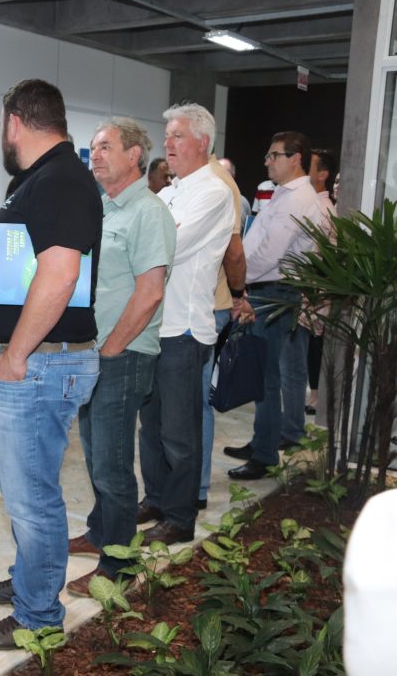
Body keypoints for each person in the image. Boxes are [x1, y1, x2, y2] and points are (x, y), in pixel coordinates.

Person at [0, 79, 102, 649]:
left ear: (15, 123)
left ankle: (39, 615)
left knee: (33, 499)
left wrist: (16, 355)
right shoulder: (42, 179)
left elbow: (61, 274)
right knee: (25, 494)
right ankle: (30, 581)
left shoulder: (62, 180)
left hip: (39, 364)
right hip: (33, 363)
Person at [65, 117, 175, 595]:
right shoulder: (104, 208)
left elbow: (151, 292)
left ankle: (119, 564)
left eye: (106, 146)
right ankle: (99, 531)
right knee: (94, 453)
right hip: (98, 352)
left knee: (112, 464)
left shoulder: (148, 212)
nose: (96, 155)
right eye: (93, 147)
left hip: (123, 354)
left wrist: (111, 348)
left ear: (134, 156)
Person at [137, 104, 232, 544]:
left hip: (185, 329)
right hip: (154, 326)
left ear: (203, 142)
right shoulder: (168, 192)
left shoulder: (213, 191)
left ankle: (179, 517)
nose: (168, 143)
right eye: (167, 135)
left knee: (179, 431)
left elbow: (167, 244)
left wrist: (144, 237)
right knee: (152, 425)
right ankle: (156, 499)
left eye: (177, 135)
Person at [225, 132, 325, 480]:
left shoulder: (298, 198)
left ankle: (265, 455)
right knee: (262, 374)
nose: (267, 161)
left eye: (274, 155)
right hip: (267, 289)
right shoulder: (283, 193)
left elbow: (270, 253)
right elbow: (257, 241)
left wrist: (237, 281)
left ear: (295, 158)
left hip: (275, 291)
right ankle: (261, 441)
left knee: (267, 377)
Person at [197, 155, 248, 510]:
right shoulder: (190, 183)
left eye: (177, 135)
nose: (169, 142)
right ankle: (190, 483)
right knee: (189, 399)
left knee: (196, 399)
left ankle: (197, 487)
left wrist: (239, 293)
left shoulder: (218, 184)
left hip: (208, 305)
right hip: (198, 306)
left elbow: (234, 254)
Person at [305, 149, 338, 414]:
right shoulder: (309, 204)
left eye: (310, 165)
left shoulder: (325, 210)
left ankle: (315, 395)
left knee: (315, 344)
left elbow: (329, 256)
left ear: (322, 174)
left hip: (316, 291)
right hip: (307, 290)